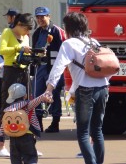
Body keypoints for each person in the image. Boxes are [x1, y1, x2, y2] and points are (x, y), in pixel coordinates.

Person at [45, 12, 109, 164]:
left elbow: (58, 67)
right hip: (103, 87)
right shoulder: (94, 42)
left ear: (67, 27)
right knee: (97, 131)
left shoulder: (69, 44)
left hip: (85, 90)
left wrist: (49, 88)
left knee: (83, 133)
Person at [0, 13, 37, 157]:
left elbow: (24, 52)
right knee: (6, 107)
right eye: (27, 28)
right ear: (18, 24)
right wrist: (19, 49)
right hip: (10, 71)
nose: (28, 32)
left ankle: (29, 145)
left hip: (24, 71)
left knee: (26, 106)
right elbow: (2, 50)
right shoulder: (8, 32)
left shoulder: (25, 37)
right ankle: (1, 144)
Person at [0, 83, 52, 164]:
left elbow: (3, 125)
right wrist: (45, 95)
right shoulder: (28, 105)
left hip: (13, 138)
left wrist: (0, 139)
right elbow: (36, 100)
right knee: (30, 157)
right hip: (27, 136)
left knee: (15, 158)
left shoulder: (8, 110)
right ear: (25, 96)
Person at [32, 6, 66, 133]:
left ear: (49, 16)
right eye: (38, 17)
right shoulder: (36, 33)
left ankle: (55, 122)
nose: (40, 19)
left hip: (53, 67)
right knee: (36, 94)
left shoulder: (57, 31)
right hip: (40, 67)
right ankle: (38, 122)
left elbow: (64, 50)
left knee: (54, 94)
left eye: (43, 16)